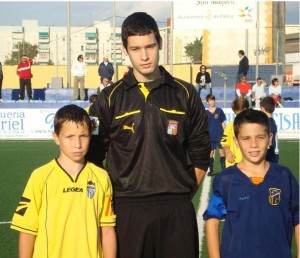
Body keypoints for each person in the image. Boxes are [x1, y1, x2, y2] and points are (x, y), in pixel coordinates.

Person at [87, 12, 210, 258]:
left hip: (176, 210)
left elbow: (200, 154)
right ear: (125, 50)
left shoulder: (185, 93)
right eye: (136, 49)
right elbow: (92, 157)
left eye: (150, 46)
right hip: (126, 210)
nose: (144, 56)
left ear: (160, 44)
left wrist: (180, 194)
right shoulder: (109, 98)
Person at [11, 104, 116, 258]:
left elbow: (107, 230)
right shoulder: (40, 176)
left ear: (91, 136)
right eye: (69, 137)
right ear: (56, 138)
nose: (78, 144)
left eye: (83, 136)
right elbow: (27, 230)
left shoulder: (101, 177)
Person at [204, 108, 299, 258]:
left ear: (270, 138)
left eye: (260, 137)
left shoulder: (284, 176)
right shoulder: (225, 179)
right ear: (236, 141)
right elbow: (212, 221)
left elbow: (297, 218)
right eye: (246, 138)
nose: (253, 144)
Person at [221, 97, 249, 168]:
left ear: (246, 110)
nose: (239, 116)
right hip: (233, 164)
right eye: (236, 114)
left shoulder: (254, 126)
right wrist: (227, 152)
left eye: (241, 113)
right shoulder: (230, 125)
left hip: (249, 164)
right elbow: (224, 142)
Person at [205, 94, 226, 175]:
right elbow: (204, 125)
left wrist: (225, 133)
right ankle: (211, 170)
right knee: (211, 153)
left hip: (219, 135)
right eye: (210, 100)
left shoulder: (219, 111)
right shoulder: (205, 113)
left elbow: (222, 123)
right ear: (207, 102)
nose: (212, 101)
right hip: (210, 136)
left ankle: (223, 170)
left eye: (213, 100)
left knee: (222, 152)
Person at [260, 96, 279, 163]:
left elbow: (269, 141)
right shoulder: (272, 121)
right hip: (274, 152)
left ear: (262, 108)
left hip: (269, 153)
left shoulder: (267, 123)